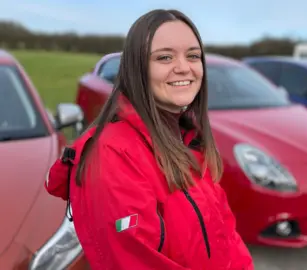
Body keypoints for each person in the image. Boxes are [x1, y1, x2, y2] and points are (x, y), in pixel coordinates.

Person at [45, 9, 254, 270]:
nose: (183, 67)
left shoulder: (188, 137)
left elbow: (226, 233)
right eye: (165, 57)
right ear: (137, 69)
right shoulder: (112, 155)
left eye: (193, 56)